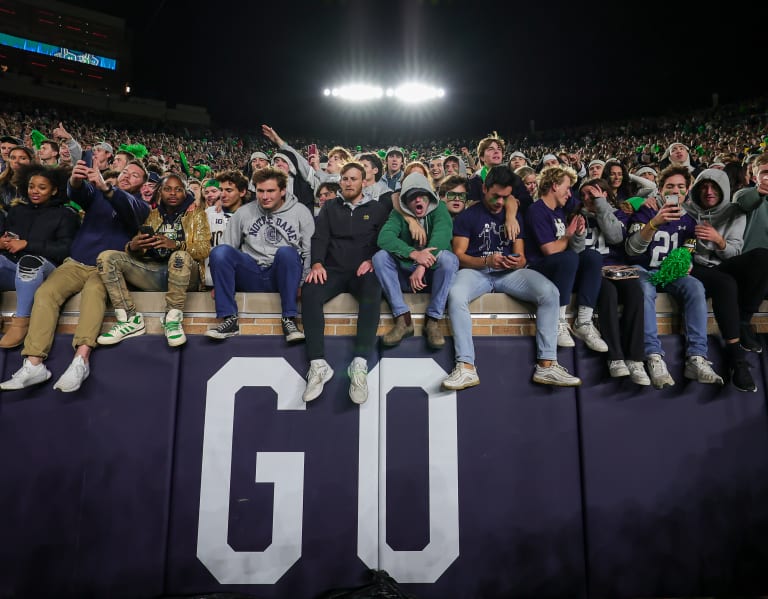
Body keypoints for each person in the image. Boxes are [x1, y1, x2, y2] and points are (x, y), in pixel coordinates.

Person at [0, 159, 150, 392]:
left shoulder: (141, 206)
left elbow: (128, 208)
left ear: (143, 185)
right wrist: (76, 179)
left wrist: (106, 188)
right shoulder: (98, 196)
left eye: (136, 175)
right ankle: (34, 363)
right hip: (75, 263)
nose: (129, 176)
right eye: (126, 171)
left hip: (104, 270)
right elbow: (80, 192)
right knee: (46, 293)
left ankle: (80, 360)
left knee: (93, 295)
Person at [445, 165, 581, 389]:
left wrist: (516, 261)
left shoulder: (515, 215)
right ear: (485, 189)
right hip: (477, 271)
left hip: (509, 273)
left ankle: (547, 364)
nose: (499, 202)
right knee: (456, 294)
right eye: (495, 196)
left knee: (550, 292)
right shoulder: (469, 216)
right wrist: (487, 261)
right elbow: (459, 256)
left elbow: (521, 255)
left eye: (505, 197)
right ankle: (466, 366)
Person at [301, 162, 392, 404]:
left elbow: (384, 239)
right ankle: (318, 364)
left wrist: (373, 259)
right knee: (310, 290)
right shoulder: (330, 207)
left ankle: (359, 364)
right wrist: (317, 263)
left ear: (364, 182)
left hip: (362, 270)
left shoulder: (378, 208)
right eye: (345, 178)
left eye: (353, 178)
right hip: (333, 270)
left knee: (374, 286)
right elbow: (320, 237)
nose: (348, 182)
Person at [625, 165, 723, 388]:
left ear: (687, 191)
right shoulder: (645, 212)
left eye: (680, 187)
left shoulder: (689, 220)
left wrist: (685, 262)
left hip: (669, 272)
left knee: (695, 286)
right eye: (670, 186)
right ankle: (653, 356)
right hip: (642, 268)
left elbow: (687, 252)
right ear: (660, 190)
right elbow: (632, 251)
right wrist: (654, 224)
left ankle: (697, 358)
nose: (675, 191)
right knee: (644, 288)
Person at [95, 173, 211, 348]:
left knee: (179, 256)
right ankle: (129, 319)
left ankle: (172, 319)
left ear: (185, 193)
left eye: (178, 190)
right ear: (160, 193)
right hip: (155, 271)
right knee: (107, 258)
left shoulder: (197, 214)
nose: (173, 193)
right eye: (167, 189)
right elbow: (140, 246)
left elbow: (204, 249)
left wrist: (176, 245)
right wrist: (133, 246)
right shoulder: (153, 214)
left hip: (187, 275)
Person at [204, 167, 314, 343]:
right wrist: (220, 281)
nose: (265, 196)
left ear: (283, 190)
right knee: (220, 251)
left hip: (281, 275)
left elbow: (308, 251)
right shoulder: (244, 212)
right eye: (261, 191)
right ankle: (229, 319)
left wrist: (302, 282)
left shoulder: (300, 212)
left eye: (271, 191)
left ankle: (289, 319)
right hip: (252, 273)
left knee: (287, 252)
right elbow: (227, 247)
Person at [684, 168, 768, 392]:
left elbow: (734, 253)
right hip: (697, 267)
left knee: (762, 256)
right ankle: (737, 361)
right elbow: (686, 250)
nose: (709, 191)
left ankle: (744, 320)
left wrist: (718, 241)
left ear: (723, 190)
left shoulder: (735, 212)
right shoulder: (686, 211)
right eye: (704, 186)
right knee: (725, 284)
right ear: (696, 190)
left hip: (724, 262)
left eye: (714, 187)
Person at [525, 165, 608, 353]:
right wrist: (569, 234)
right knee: (569, 257)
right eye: (567, 188)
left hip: (561, 270)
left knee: (592, 256)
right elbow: (551, 251)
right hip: (538, 269)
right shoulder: (536, 210)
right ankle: (558, 320)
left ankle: (584, 322)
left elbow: (585, 203)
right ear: (554, 186)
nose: (570, 194)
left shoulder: (561, 207)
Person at [373, 172, 458, 349]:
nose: (418, 200)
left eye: (422, 195)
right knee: (380, 257)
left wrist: (422, 264)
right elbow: (384, 238)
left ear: (429, 197)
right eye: (413, 197)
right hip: (406, 275)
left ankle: (433, 320)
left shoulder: (440, 209)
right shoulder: (398, 215)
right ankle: (403, 320)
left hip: (431, 276)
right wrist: (413, 253)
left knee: (449, 259)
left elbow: (441, 239)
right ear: (406, 202)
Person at [578, 178, 649, 384]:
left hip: (618, 268)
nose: (587, 199)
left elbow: (615, 237)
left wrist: (601, 206)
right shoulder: (577, 216)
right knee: (607, 293)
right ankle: (615, 358)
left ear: (605, 194)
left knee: (636, 292)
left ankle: (635, 359)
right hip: (593, 273)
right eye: (583, 195)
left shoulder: (620, 215)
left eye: (592, 194)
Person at [0, 165, 80, 348]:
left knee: (30, 262)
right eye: (31, 186)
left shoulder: (66, 215)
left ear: (54, 191)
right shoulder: (16, 211)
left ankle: (21, 322)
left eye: (42, 187)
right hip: (14, 268)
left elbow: (65, 250)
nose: (34, 191)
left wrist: (28, 244)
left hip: (47, 271)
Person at [204, 170, 247, 288]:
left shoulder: (251, 216)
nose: (223, 195)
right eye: (221, 190)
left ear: (242, 192)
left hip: (244, 280)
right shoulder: (208, 214)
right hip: (211, 279)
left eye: (228, 190)